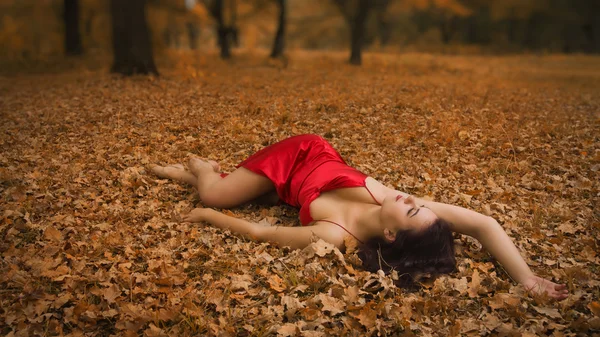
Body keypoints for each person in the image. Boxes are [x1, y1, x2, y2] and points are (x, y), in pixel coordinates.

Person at [151, 134, 568, 299]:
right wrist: (528, 279)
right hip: (302, 152)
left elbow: (258, 232)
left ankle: (200, 180)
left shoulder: (334, 236)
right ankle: (202, 169)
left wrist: (207, 216)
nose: (413, 199)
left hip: (288, 191)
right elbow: (483, 224)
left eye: (412, 209)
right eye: (417, 203)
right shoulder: (390, 199)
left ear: (390, 232)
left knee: (215, 200)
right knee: (216, 188)